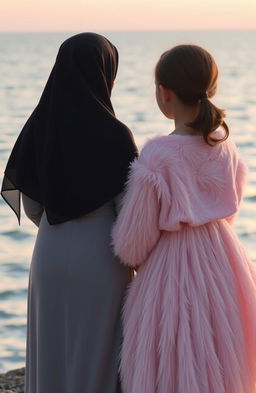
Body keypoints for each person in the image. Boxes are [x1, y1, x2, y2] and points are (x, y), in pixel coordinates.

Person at [112, 44, 256, 393]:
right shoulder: (225, 143)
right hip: (224, 260)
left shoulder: (159, 154)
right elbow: (231, 208)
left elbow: (132, 245)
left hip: (172, 270)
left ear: (165, 94)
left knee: (173, 363)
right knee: (223, 357)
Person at [1, 33, 138, 393]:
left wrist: (59, 225)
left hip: (49, 251)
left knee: (51, 355)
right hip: (100, 258)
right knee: (98, 360)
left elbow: (31, 201)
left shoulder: (38, 127)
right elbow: (128, 212)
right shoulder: (116, 136)